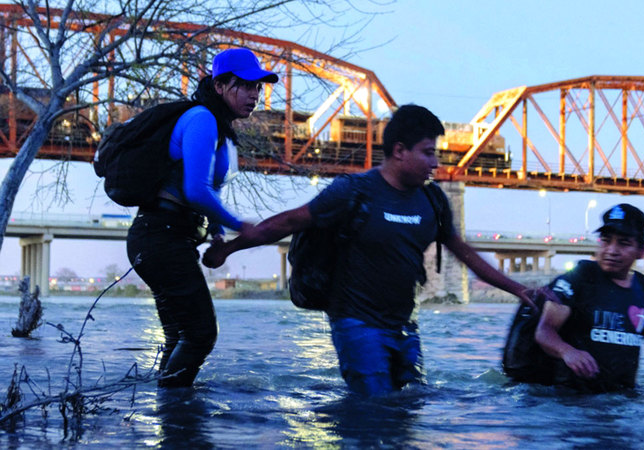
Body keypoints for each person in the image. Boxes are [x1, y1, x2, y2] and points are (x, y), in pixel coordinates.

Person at [202, 104, 533, 396]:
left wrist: (520, 290)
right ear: (400, 150)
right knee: (374, 409)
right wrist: (229, 248)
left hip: (404, 327)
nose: (435, 163)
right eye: (428, 152)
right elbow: (288, 222)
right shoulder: (353, 192)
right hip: (356, 325)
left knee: (410, 405)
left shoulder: (432, 200)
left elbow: (464, 252)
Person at [127, 48, 278, 387]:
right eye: (246, 85)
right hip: (159, 237)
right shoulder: (202, 119)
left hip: (166, 238)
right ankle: (178, 409)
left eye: (259, 87)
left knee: (179, 337)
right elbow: (195, 191)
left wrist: (218, 233)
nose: (255, 95)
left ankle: (169, 411)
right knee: (200, 334)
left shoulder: (220, 128)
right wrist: (241, 225)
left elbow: (209, 189)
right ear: (220, 85)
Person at [532, 203, 644, 392]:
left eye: (623, 243)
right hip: (571, 398)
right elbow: (544, 330)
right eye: (606, 241)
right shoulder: (579, 278)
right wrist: (567, 352)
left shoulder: (642, 286)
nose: (612, 250)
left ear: (641, 250)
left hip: (623, 397)